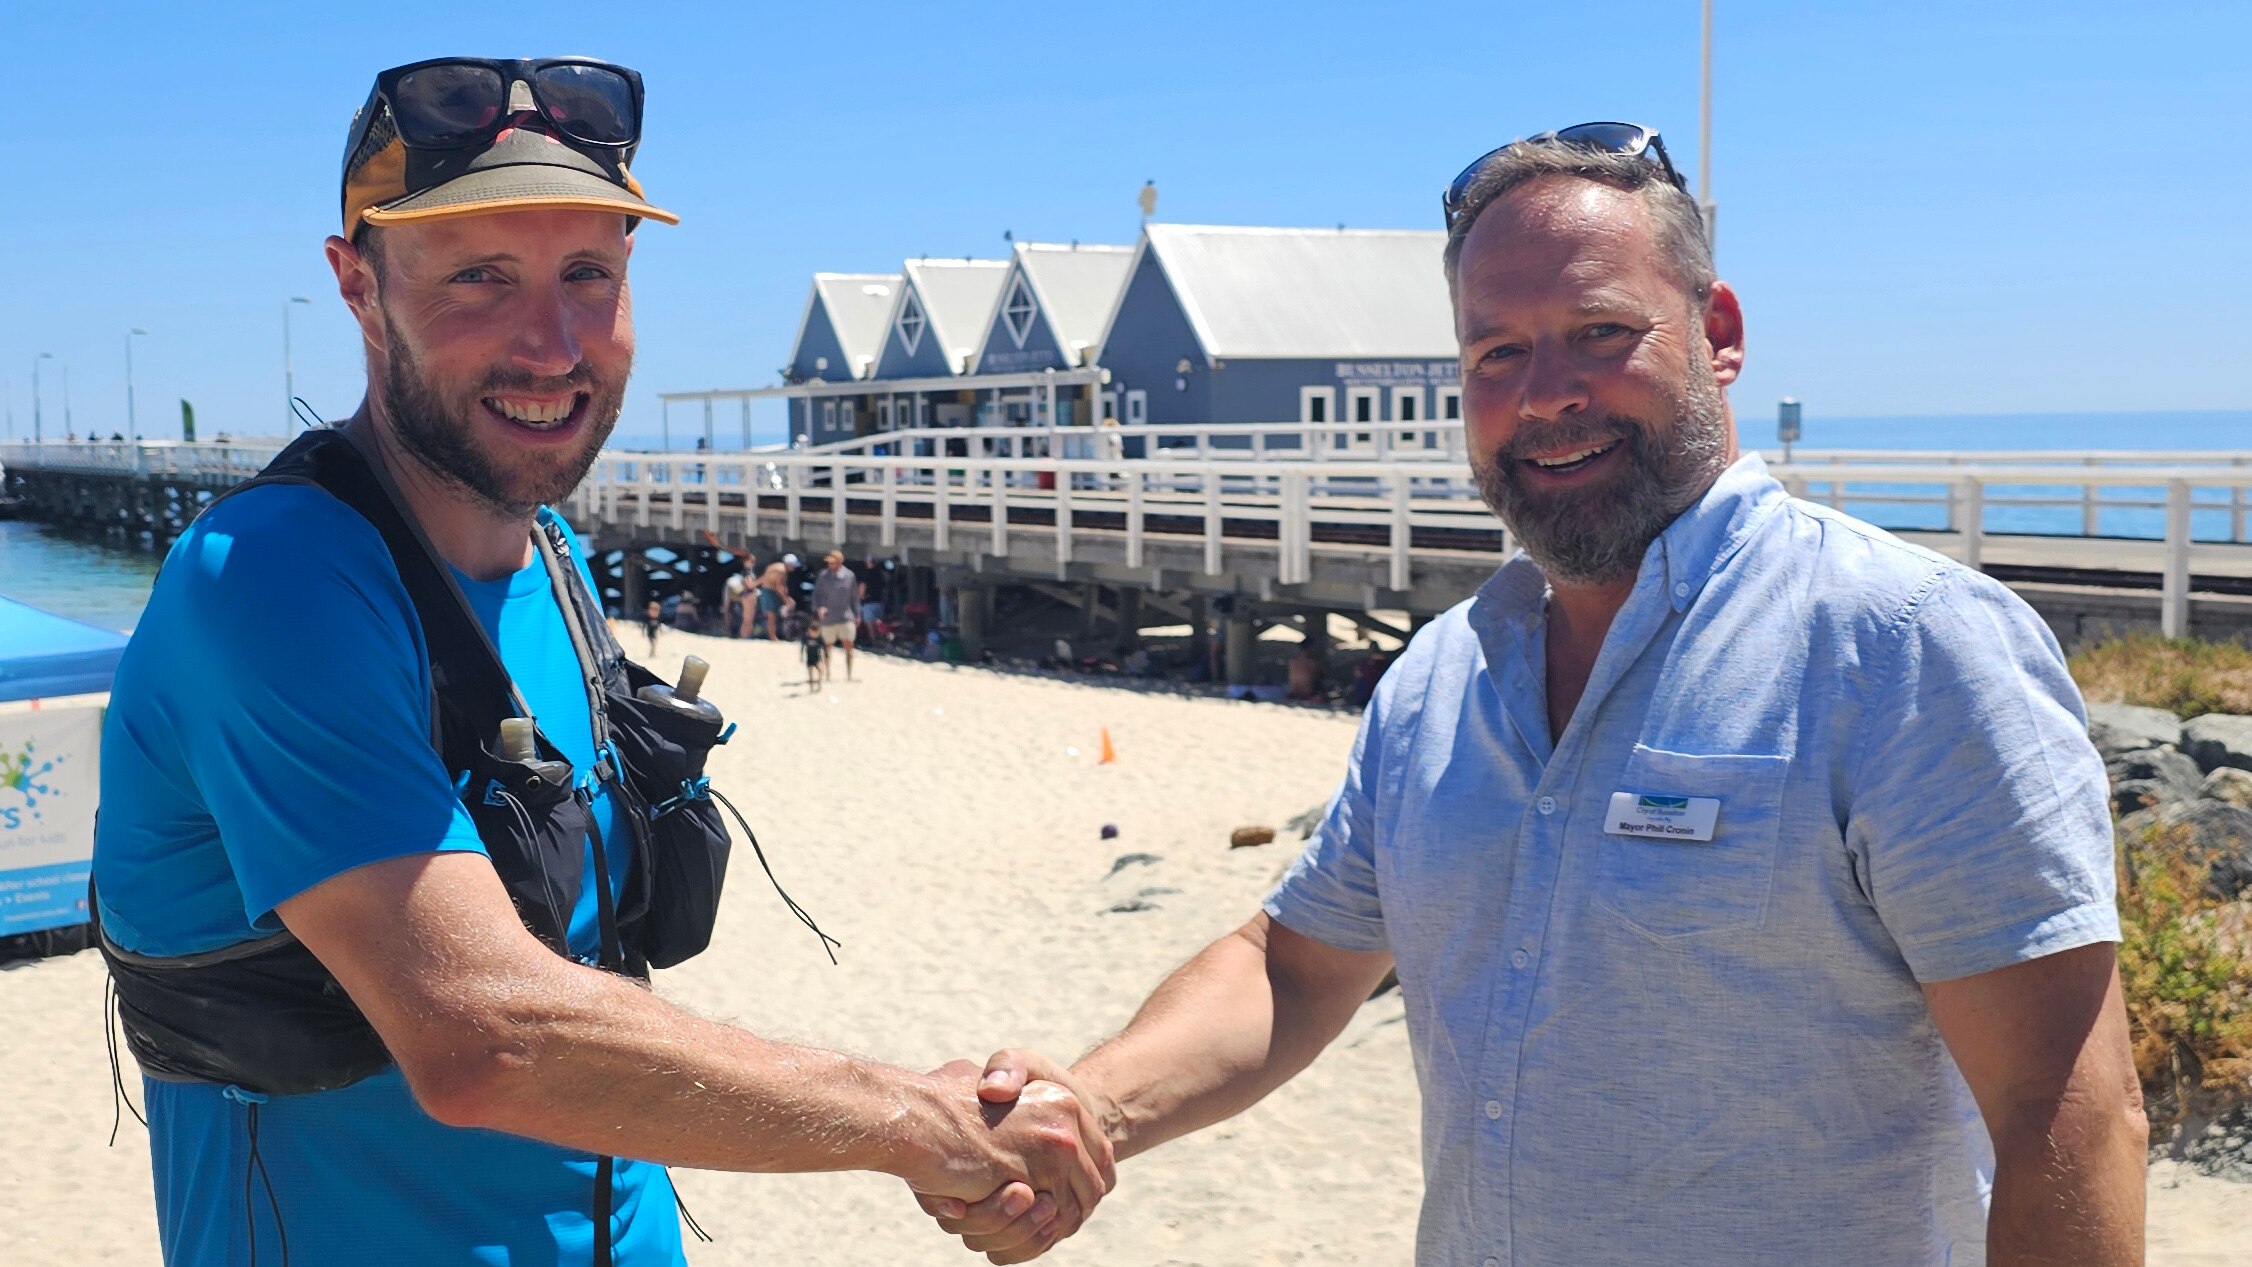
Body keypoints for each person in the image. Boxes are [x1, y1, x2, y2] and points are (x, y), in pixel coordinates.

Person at [928, 122, 2144, 1265]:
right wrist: (1087, 1109)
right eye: (1496, 352)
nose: (1545, 392)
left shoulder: (1902, 650)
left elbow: (2067, 1115)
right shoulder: (1441, 678)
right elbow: (1293, 970)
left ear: (1716, 331)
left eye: (1598, 331)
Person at [90, 56, 1108, 1267]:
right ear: (356, 286)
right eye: (481, 276)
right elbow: (484, 1037)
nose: (553, 343)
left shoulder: (554, 558)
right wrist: (921, 1123)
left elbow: (580, 983)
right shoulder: (267, 580)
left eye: (591, 274)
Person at [811, 549, 862, 680]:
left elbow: (854, 597)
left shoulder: (849, 576)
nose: (830, 565)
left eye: (833, 563)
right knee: (827, 647)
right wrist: (819, 608)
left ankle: (849, 675)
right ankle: (828, 673)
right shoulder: (823, 576)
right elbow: (816, 595)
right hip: (828, 617)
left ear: (839, 562)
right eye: (829, 563)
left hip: (846, 616)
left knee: (849, 645)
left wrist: (857, 614)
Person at [754, 560, 792, 640]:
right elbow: (779, 587)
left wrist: (754, 584)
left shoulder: (775, 567)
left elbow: (764, 577)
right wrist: (786, 600)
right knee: (772, 617)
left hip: (766, 591)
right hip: (770, 593)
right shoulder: (782, 571)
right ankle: (773, 637)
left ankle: (771, 635)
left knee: (769, 616)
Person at [723, 555, 756, 638]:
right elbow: (749, 585)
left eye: (753, 561)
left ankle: (729, 631)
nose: (753, 563)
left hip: (735, 590)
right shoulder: (747, 572)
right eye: (751, 561)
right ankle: (744, 634)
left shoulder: (746, 572)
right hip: (739, 592)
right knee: (746, 615)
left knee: (729, 609)